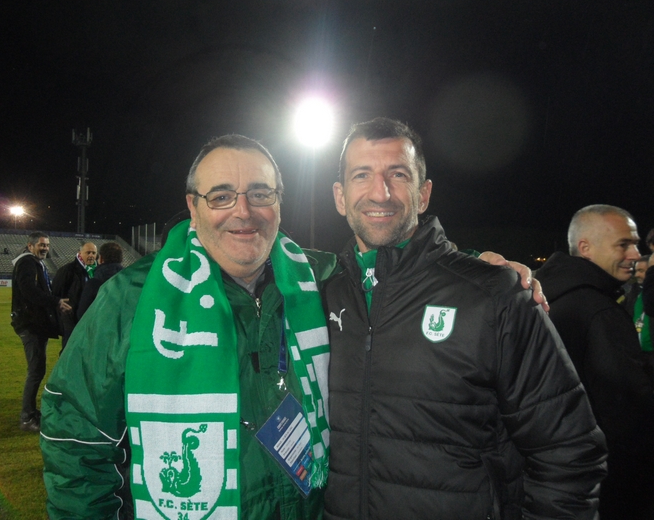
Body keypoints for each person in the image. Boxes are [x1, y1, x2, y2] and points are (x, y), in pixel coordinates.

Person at [40, 134, 542, 520]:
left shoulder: (322, 276)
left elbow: (398, 273)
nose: (244, 211)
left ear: (280, 202)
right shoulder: (132, 298)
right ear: (193, 207)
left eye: (260, 193)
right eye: (221, 196)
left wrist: (480, 265)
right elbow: (75, 438)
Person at [322, 118, 607, 520]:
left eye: (398, 174)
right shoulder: (322, 294)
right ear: (340, 196)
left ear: (424, 194)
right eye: (361, 175)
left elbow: (569, 451)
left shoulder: (494, 296)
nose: (379, 192)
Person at [535, 205, 654, 519]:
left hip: (552, 474)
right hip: (606, 482)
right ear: (585, 248)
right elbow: (628, 413)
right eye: (623, 244)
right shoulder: (598, 310)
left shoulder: (546, 296)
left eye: (636, 244)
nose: (635, 255)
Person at [11, 232, 71, 432]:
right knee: (35, 371)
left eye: (47, 245)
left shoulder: (34, 262)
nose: (45, 248)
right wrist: (56, 302)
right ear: (30, 246)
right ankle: (27, 418)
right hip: (31, 324)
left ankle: (31, 413)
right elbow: (29, 290)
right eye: (41, 245)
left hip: (35, 324)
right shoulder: (27, 263)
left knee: (37, 370)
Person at [51, 241, 97, 351]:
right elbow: (56, 293)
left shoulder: (97, 271)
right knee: (70, 349)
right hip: (70, 318)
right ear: (80, 253)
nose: (91, 255)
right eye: (88, 252)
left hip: (91, 317)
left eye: (94, 253)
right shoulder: (67, 270)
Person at [76, 241, 124, 319]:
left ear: (101, 259)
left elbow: (82, 314)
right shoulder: (129, 282)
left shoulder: (93, 284)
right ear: (121, 259)